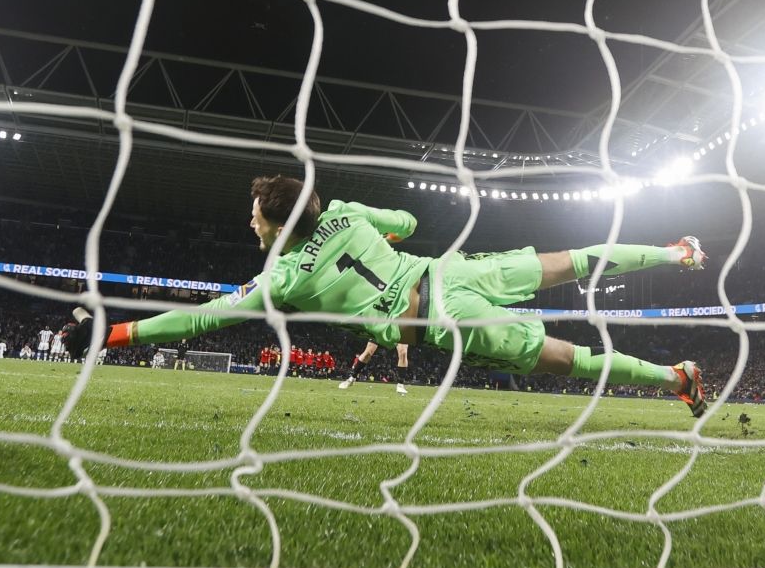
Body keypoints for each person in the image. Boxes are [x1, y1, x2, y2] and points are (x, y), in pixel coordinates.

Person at [64, 174, 710, 414]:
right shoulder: (344, 212)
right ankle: (676, 251)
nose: (249, 221)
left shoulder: (281, 282)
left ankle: (674, 376)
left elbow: (198, 320)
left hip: (437, 320)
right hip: (451, 273)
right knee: (569, 260)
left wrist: (115, 333)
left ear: (278, 224)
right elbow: (407, 223)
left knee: (567, 359)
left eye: (256, 214)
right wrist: (379, 234)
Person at [339, 339, 412, 395]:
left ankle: (400, 384)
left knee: (403, 352)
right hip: (384, 321)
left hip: (399, 323)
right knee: (368, 352)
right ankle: (352, 378)